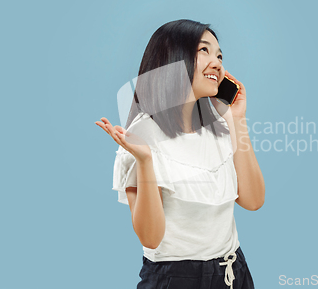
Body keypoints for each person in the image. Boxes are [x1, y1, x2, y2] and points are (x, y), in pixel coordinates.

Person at [95, 19, 265, 289]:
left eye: (219, 55)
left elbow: (254, 200)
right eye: (204, 51)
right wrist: (145, 161)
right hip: (176, 277)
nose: (217, 62)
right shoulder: (141, 135)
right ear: (172, 59)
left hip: (233, 271)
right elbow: (150, 238)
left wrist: (237, 119)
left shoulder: (221, 125)